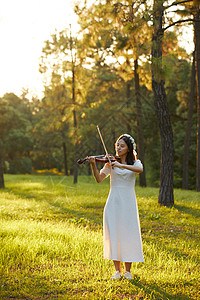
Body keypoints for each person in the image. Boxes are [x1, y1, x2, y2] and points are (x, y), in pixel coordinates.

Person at [87, 134, 144, 280]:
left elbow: (140, 170)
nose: (118, 148)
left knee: (128, 234)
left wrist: (120, 165)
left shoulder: (135, 163)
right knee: (115, 234)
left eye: (122, 146)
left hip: (129, 203)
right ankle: (117, 271)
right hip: (114, 202)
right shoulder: (109, 163)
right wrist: (93, 164)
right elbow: (99, 179)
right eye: (117, 145)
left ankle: (128, 271)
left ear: (128, 149)